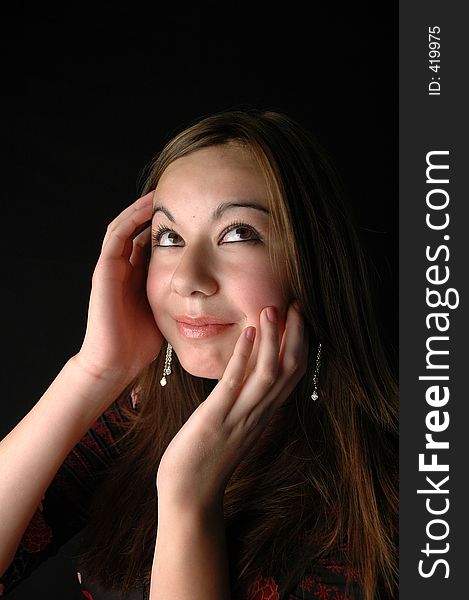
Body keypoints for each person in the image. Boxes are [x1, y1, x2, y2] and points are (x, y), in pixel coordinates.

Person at [0, 109, 398, 600]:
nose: (188, 278)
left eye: (238, 233)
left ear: (313, 264)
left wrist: (187, 494)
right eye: (170, 237)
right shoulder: (134, 417)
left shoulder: (395, 501)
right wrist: (95, 370)